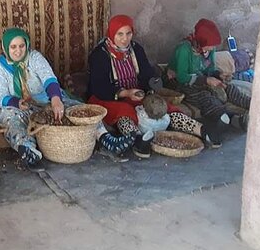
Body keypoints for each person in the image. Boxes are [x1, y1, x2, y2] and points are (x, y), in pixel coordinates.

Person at [0, 28, 134, 167]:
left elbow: (49, 78)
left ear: (26, 44)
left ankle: (106, 139)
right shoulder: (0, 65)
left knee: (78, 109)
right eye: (13, 47)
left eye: (22, 46)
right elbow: (1, 94)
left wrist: (56, 99)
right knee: (12, 119)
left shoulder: (34, 57)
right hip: (16, 106)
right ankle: (27, 150)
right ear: (5, 48)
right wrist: (16, 102)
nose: (18, 51)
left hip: (44, 99)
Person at [87, 15, 217, 158]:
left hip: (136, 94)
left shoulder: (136, 50)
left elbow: (147, 73)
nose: (125, 38)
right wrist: (125, 93)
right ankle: (139, 141)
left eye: (128, 33)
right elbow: (99, 86)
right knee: (124, 112)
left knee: (165, 107)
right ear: (111, 33)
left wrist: (151, 85)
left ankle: (202, 131)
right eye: (120, 34)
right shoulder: (100, 54)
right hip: (109, 97)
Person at [166, 18, 251, 137]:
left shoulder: (209, 50)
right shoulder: (184, 50)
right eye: (209, 46)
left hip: (202, 79)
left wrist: (218, 75)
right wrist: (206, 80)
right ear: (200, 41)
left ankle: (253, 106)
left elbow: (209, 70)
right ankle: (232, 119)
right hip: (182, 83)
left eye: (212, 47)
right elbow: (182, 77)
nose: (211, 49)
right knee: (206, 97)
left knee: (229, 88)